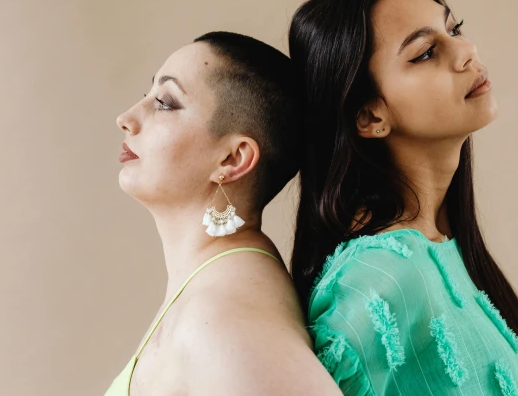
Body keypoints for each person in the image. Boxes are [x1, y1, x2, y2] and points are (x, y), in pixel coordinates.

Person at [289, 0, 518, 395]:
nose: (467, 50)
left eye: (455, 29)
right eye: (426, 52)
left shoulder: (438, 247)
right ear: (370, 116)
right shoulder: (378, 278)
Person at [106, 31, 342, 396]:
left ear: (233, 160)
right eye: (146, 95)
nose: (126, 118)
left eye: (166, 103)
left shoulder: (222, 318)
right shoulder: (211, 286)